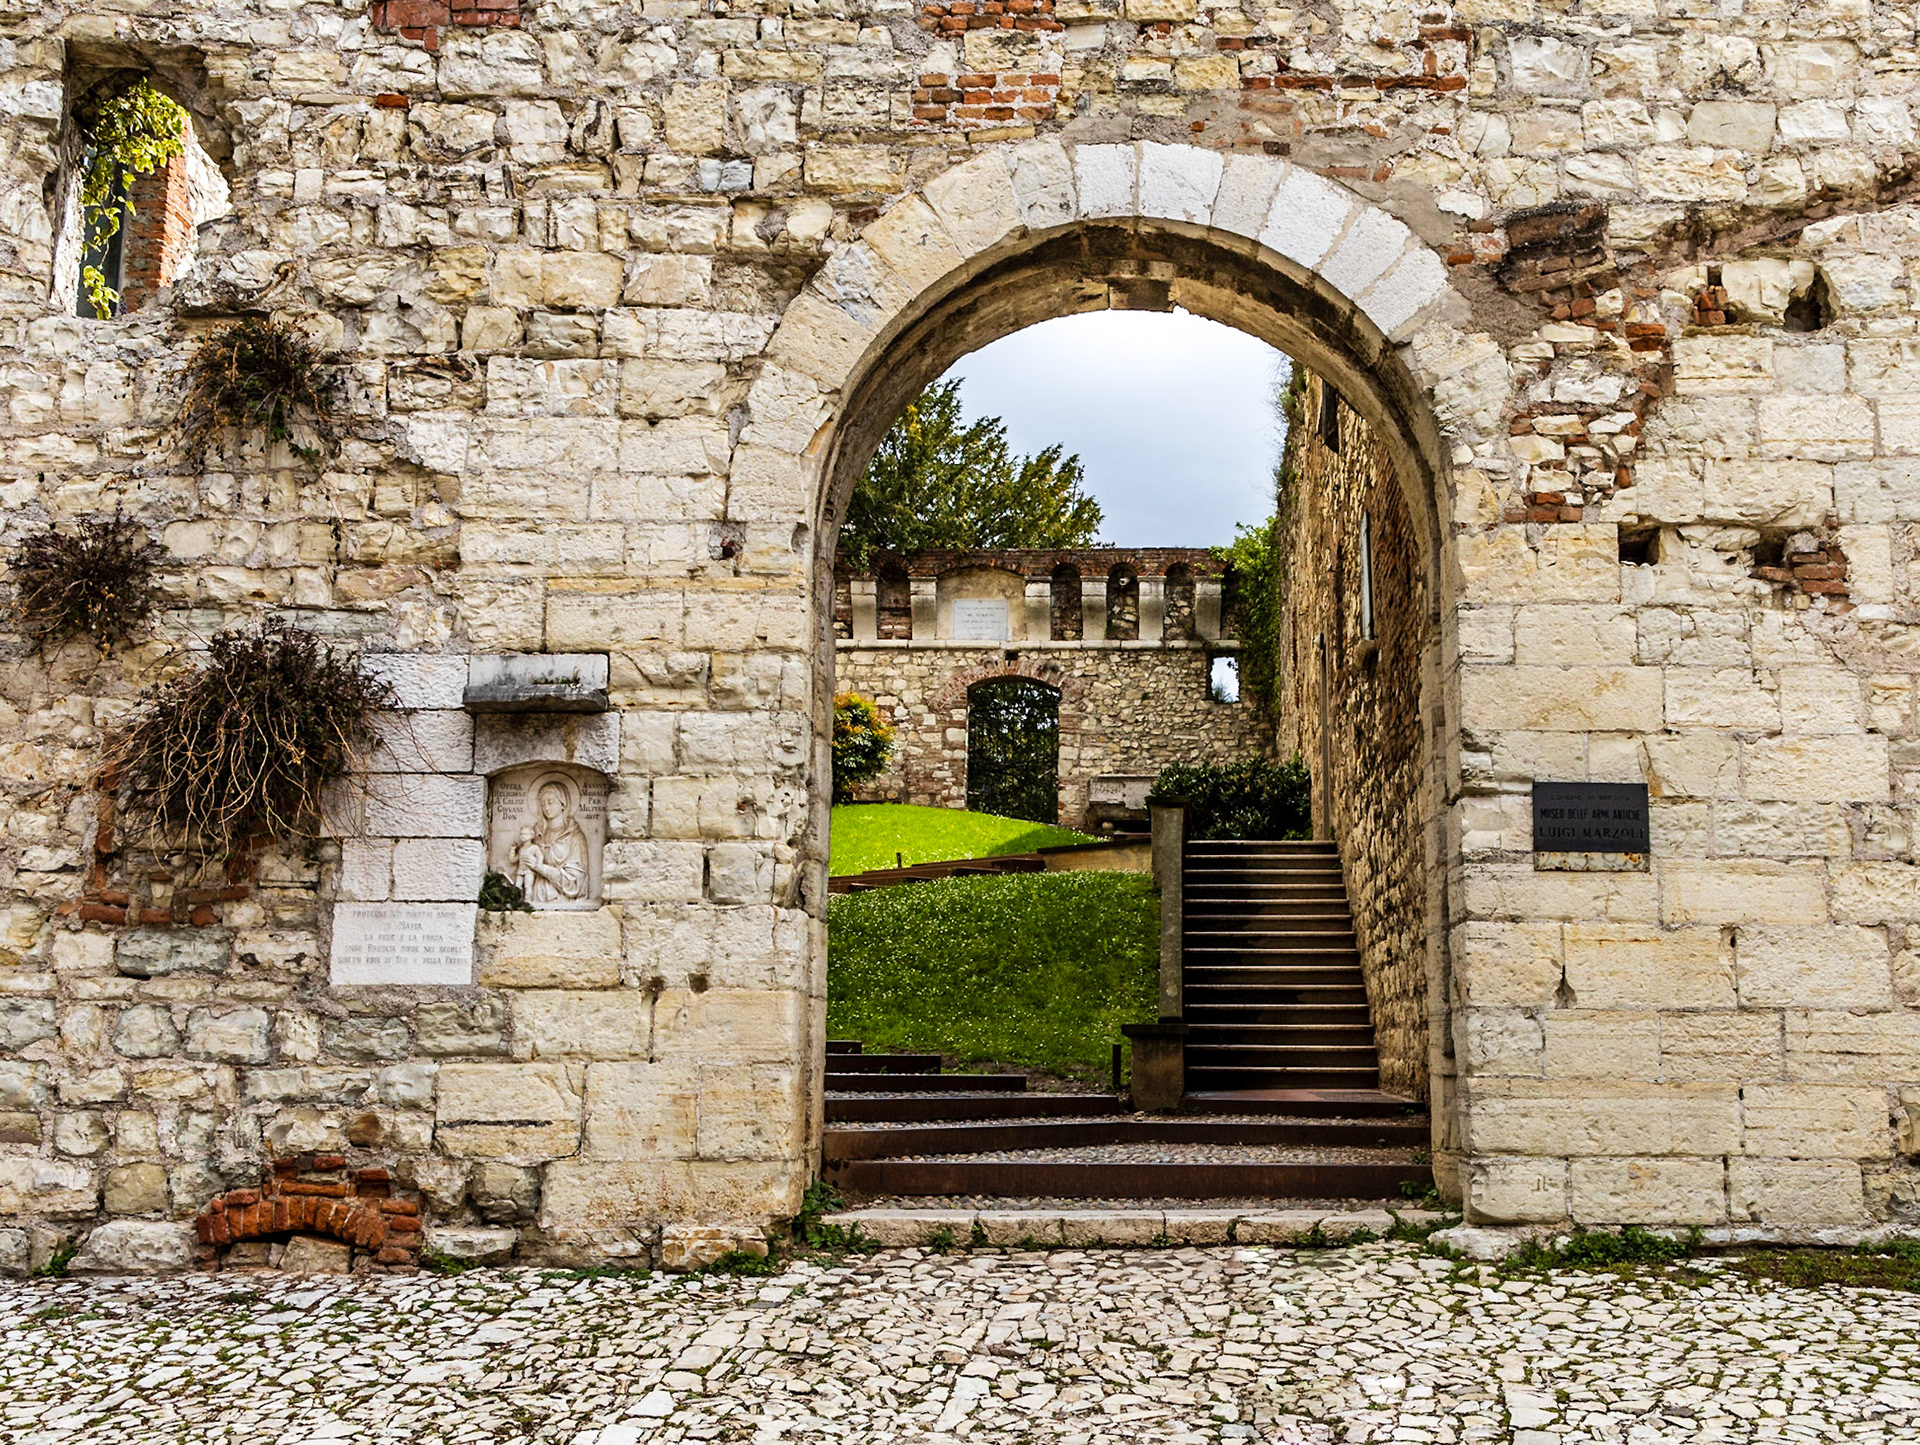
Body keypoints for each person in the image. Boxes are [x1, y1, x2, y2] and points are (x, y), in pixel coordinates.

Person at [514, 780, 588, 904]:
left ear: (563, 804)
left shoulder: (574, 837)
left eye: (551, 802)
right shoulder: (535, 834)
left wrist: (539, 867)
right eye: (543, 804)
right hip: (536, 897)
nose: (546, 808)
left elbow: (575, 883)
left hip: (562, 900)